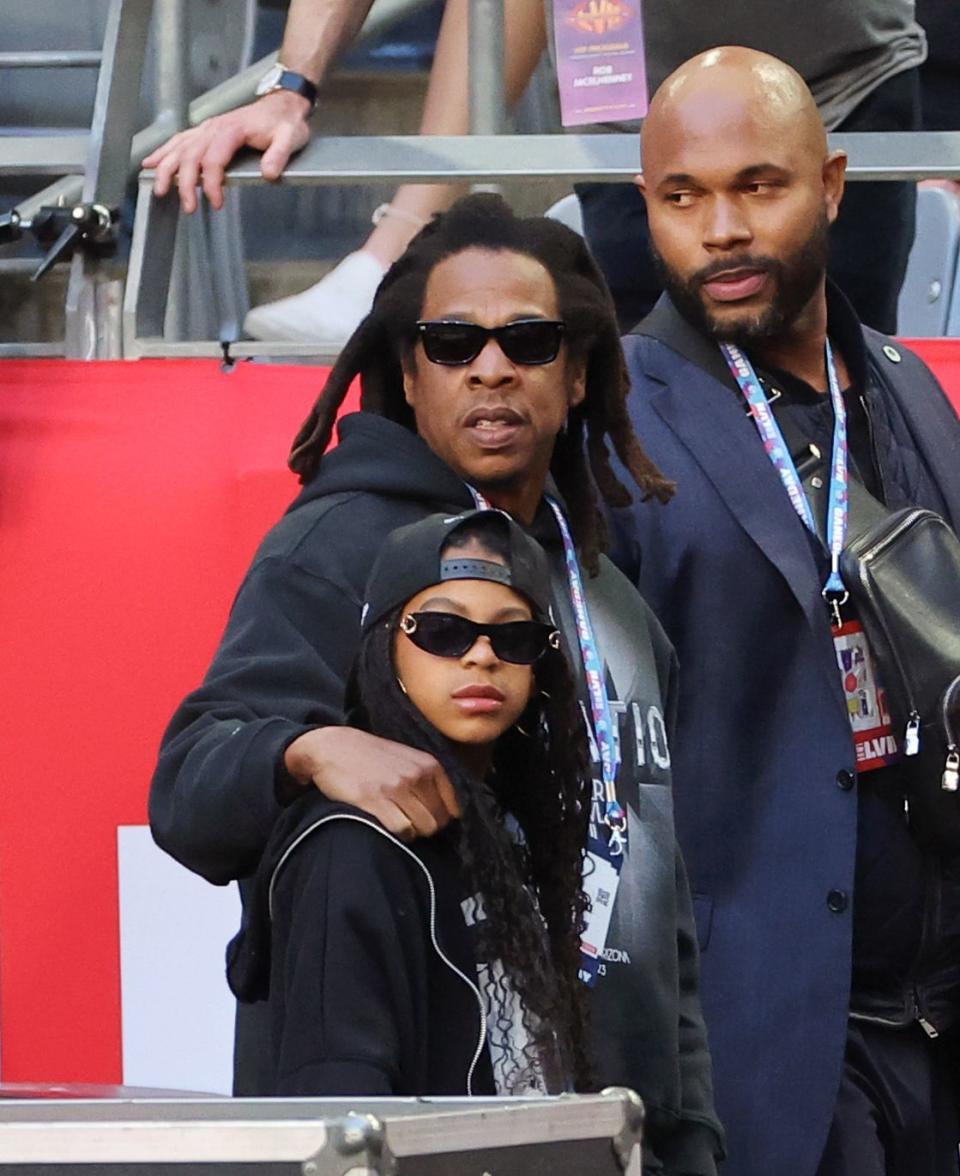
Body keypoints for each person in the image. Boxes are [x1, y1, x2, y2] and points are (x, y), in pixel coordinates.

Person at [151, 193, 725, 1173]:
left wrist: (691, 1141)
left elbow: (658, 913)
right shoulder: (338, 549)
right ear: (410, 376)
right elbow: (188, 788)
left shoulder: (616, 603)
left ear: (577, 374)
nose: (491, 368)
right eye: (453, 342)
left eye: (529, 341)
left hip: (617, 1138)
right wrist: (310, 747)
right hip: (429, 1139)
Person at [611, 46, 960, 1176]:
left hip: (943, 1021)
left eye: (758, 186)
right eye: (682, 196)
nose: (720, 230)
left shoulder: (908, 387)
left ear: (835, 187)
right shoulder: (610, 422)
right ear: (646, 206)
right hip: (773, 1044)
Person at [145, 1, 924, 342]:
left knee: (835, 399)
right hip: (640, 124)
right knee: (643, 421)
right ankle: (387, 254)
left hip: (833, 95)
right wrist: (291, 87)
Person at [230, 508, 593, 1095]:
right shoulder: (348, 845)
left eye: (515, 636)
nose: (482, 656)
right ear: (385, 649)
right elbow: (342, 1120)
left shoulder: (511, 834)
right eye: (443, 632)